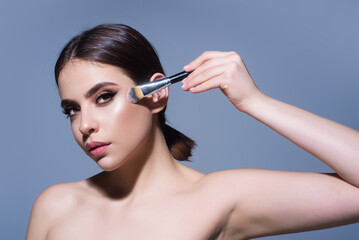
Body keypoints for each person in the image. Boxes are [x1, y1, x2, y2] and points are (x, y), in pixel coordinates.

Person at [26, 24, 359, 240]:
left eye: (104, 97)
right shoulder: (55, 206)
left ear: (156, 93)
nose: (84, 125)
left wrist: (255, 101)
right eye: (72, 109)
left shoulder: (217, 197)